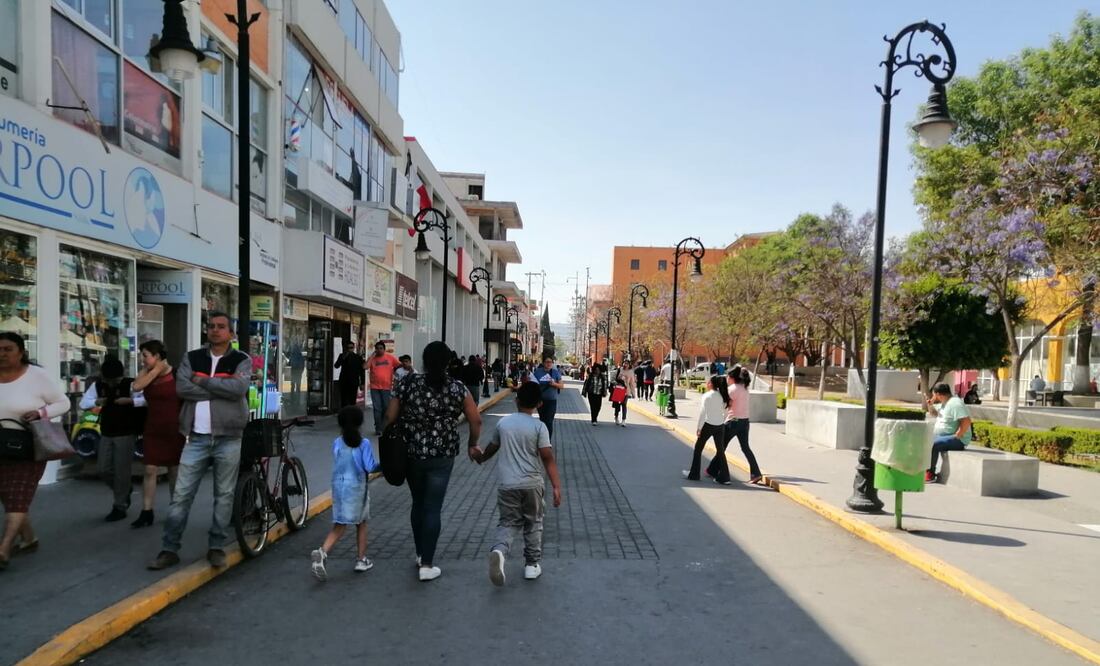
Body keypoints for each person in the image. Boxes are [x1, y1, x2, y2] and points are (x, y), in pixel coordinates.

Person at [148, 312, 251, 570]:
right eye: (211, 326)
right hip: (195, 437)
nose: (215, 330)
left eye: (221, 326)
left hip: (229, 436)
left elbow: (238, 389)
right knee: (181, 495)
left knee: (224, 495)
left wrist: (202, 380)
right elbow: (182, 388)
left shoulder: (241, 360)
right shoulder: (192, 357)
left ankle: (216, 546)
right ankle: (169, 549)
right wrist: (220, 388)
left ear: (231, 333)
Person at [385, 341, 481, 582]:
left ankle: (420, 553)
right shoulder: (458, 388)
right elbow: (476, 420)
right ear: (448, 362)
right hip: (443, 455)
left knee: (418, 503)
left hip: (412, 453)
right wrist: (472, 444)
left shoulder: (407, 383)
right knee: (433, 507)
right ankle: (427, 564)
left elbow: (390, 415)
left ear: (424, 361)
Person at [475, 382, 561, 585]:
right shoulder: (539, 427)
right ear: (539, 404)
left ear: (516, 400)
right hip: (532, 484)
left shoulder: (503, 424)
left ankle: (499, 550)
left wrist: (480, 457)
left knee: (508, 522)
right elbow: (547, 457)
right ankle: (531, 565)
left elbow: (492, 448)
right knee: (534, 523)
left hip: (507, 484)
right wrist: (556, 486)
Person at [0, 332, 68, 569]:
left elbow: (64, 403)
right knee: (8, 495)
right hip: (0, 445)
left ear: (21, 352)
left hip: (27, 445)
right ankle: (29, 539)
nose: (2, 354)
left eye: (8, 349)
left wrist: (41, 413)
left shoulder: (37, 376)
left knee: (18, 496)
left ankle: (3, 549)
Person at [311, 406, 380, 581]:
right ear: (360, 423)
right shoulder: (363, 444)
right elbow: (370, 466)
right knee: (360, 523)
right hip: (357, 489)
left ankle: (324, 553)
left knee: (340, 523)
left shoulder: (337, 442)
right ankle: (350, 557)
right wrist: (384, 466)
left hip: (338, 487)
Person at [79, 356, 146, 522]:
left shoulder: (131, 384)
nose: (111, 383)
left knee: (122, 471)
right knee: (103, 468)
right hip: (106, 431)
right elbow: (83, 403)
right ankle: (125, 489)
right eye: (108, 380)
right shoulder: (98, 385)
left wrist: (130, 401)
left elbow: (145, 400)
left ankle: (119, 506)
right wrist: (97, 401)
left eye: (115, 380)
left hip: (126, 431)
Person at [130, 340, 185, 528]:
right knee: (149, 469)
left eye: (145, 356)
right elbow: (136, 387)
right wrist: (154, 370)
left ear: (157, 356)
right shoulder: (147, 373)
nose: (142, 359)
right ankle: (147, 511)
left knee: (174, 470)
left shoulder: (176, 374)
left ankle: (176, 510)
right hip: (153, 427)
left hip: (174, 428)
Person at [708, 367, 762, 484]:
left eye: (728, 376)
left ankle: (715, 471)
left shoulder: (732, 389)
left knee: (721, 446)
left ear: (732, 377)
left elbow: (725, 404)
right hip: (745, 422)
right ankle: (756, 473)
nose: (727, 379)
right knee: (745, 448)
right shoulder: (744, 388)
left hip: (733, 422)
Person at [683, 375, 731, 483]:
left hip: (708, 425)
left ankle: (694, 474)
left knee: (698, 449)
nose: (706, 384)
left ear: (711, 384)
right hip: (720, 426)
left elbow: (702, 413)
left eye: (708, 382)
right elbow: (726, 412)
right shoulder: (723, 396)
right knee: (720, 451)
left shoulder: (707, 396)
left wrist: (699, 428)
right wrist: (721, 421)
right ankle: (725, 477)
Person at [925, 382, 973, 482]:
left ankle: (930, 473)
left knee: (933, 444)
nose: (934, 397)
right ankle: (923, 469)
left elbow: (966, 421)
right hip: (943, 436)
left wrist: (958, 435)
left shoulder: (955, 403)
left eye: (934, 395)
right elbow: (934, 413)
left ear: (938, 394)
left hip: (958, 439)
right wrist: (930, 404)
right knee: (924, 440)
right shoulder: (945, 403)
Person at [366, 341, 400, 435]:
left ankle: (384, 426)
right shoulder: (372, 358)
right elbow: (365, 367)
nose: (379, 350)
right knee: (377, 408)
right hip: (374, 387)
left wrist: (396, 376)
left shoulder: (390, 357)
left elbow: (399, 365)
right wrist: (371, 356)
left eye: (381, 348)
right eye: (377, 348)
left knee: (386, 407)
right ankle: (378, 428)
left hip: (387, 387)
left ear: (384, 349)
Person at [531, 355, 564, 440]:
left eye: (550, 362)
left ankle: (547, 441)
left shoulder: (555, 372)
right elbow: (533, 384)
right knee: (542, 420)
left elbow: (562, 386)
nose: (549, 364)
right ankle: (541, 439)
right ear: (543, 363)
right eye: (547, 362)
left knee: (549, 421)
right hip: (540, 401)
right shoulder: (538, 372)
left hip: (551, 401)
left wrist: (554, 384)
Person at [333, 341, 365, 410]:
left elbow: (361, 371)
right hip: (343, 381)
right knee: (343, 399)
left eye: (351, 348)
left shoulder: (358, 357)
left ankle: (351, 412)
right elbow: (336, 366)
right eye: (348, 348)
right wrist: (343, 358)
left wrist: (362, 382)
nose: (349, 349)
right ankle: (344, 412)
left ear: (353, 348)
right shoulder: (342, 356)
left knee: (352, 399)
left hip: (354, 381)